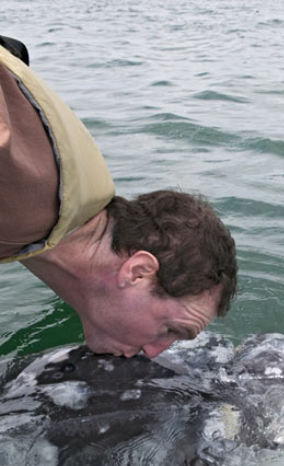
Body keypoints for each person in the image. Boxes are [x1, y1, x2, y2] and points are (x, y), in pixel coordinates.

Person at [0, 37, 237, 358]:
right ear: (137, 272)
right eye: (171, 330)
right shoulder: (22, 194)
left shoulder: (80, 190)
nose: (155, 351)